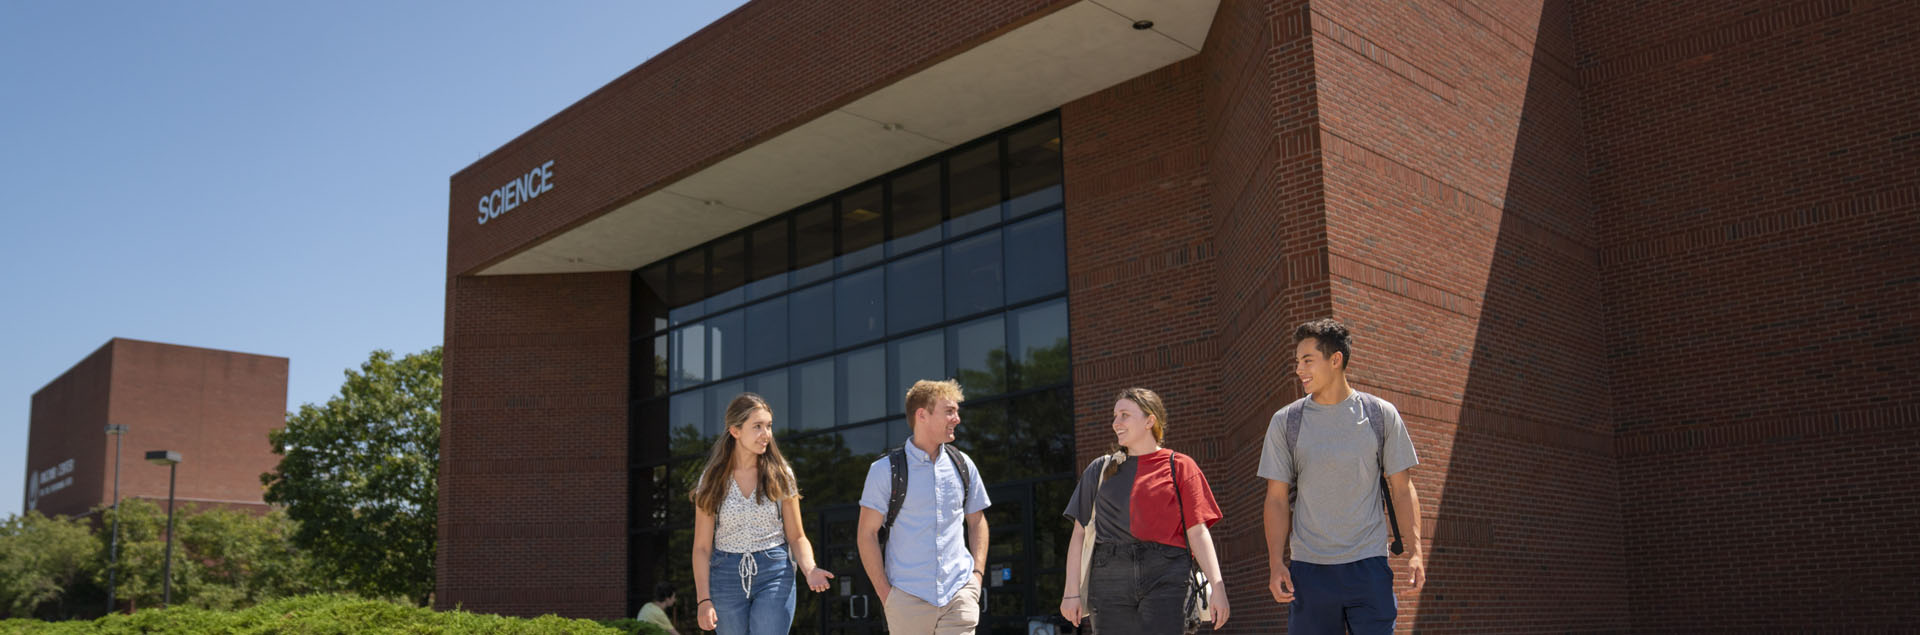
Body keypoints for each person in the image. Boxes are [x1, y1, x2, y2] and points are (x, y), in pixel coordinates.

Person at [1259, 318, 1425, 635]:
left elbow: (1403, 489)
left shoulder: (1380, 414)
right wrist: (1275, 563)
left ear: (1336, 360)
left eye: (1308, 360)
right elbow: (1276, 499)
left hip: (1369, 566)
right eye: (1297, 361)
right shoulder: (1286, 422)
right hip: (1309, 571)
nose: (1299, 370)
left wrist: (1416, 552)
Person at [1060, 387, 1230, 633]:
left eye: (1124, 415)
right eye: (1115, 415)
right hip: (1110, 578)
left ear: (1150, 420)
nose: (1115, 422)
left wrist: (1218, 586)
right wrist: (1070, 592)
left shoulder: (1180, 466)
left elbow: (1198, 531)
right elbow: (1078, 535)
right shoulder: (1099, 470)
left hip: (1167, 576)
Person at [690, 393, 835, 634]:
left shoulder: (780, 474)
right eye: (757, 426)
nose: (766, 434)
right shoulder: (712, 479)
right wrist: (703, 600)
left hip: (774, 571)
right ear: (735, 431)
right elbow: (702, 547)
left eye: (768, 426)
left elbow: (797, 536)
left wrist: (810, 569)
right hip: (725, 574)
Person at [856, 379, 992, 634]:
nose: (957, 419)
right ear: (922, 415)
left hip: (958, 596)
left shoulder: (963, 465)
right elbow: (867, 535)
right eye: (949, 411)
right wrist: (887, 596)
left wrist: (976, 576)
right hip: (907, 600)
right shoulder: (885, 471)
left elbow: (977, 522)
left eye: (957, 411)